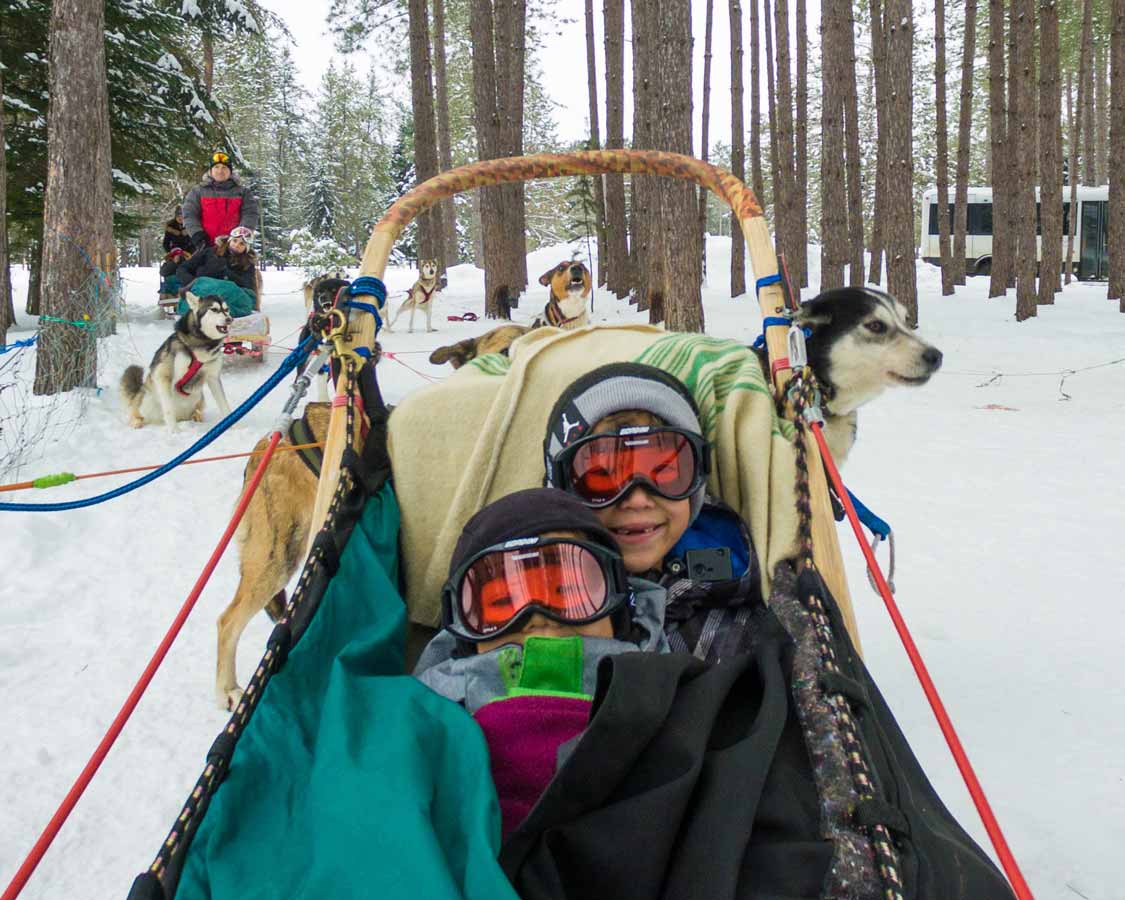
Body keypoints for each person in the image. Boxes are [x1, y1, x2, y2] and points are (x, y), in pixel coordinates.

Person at [519, 362, 1018, 900]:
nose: (638, 496)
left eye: (665, 469)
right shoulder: (521, 597)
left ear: (700, 480)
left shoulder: (748, 595)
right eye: (602, 475)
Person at [413, 487, 671, 839]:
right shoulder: (420, 721)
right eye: (504, 603)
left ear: (618, 607)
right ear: (465, 636)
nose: (538, 618)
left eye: (569, 593)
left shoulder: (677, 696)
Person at [181, 150, 259, 250]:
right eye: (216, 167)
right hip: (204, 245)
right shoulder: (197, 192)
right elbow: (189, 214)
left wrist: (240, 236)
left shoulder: (243, 192)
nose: (220, 171)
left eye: (224, 167)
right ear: (210, 170)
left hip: (233, 247)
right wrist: (197, 234)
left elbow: (250, 214)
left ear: (230, 171)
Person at [175, 227, 258, 318]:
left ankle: (211, 312)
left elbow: (247, 285)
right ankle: (209, 311)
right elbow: (182, 269)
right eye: (235, 241)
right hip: (203, 290)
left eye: (242, 244)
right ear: (230, 240)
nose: (236, 245)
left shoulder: (247, 263)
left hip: (231, 295)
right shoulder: (210, 252)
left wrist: (227, 273)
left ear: (246, 248)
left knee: (240, 300)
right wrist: (193, 282)